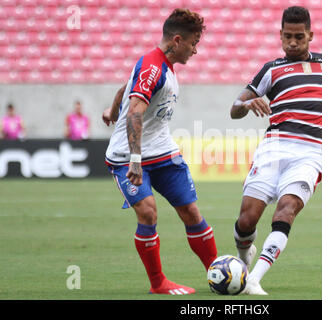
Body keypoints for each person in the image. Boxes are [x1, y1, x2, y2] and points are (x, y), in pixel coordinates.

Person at [230, 6, 322, 295]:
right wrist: (247, 105)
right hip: (274, 148)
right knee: (247, 220)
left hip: (310, 152)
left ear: (311, 35)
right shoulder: (271, 69)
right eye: (287, 36)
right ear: (280, 35)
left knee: (286, 211)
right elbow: (234, 108)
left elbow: (315, 100)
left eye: (299, 36)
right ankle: (242, 259)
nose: (293, 42)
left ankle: (254, 279)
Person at [102, 8, 217, 295]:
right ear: (177, 40)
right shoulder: (153, 66)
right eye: (193, 43)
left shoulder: (158, 66)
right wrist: (136, 161)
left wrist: (111, 108)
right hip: (128, 157)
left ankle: (218, 274)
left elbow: (126, 88)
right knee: (148, 214)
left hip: (163, 152)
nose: (195, 49)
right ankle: (158, 284)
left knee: (191, 212)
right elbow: (135, 113)